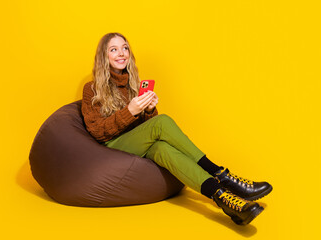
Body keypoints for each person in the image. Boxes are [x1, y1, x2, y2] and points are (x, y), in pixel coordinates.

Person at [81, 32, 272, 225]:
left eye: (125, 48)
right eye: (113, 49)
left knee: (163, 149)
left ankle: (224, 199)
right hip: (112, 148)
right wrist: (130, 110)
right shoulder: (92, 88)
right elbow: (97, 131)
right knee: (162, 121)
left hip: (138, 145)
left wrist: (148, 110)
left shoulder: (134, 85)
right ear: (103, 56)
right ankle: (221, 174)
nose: (121, 53)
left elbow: (148, 129)